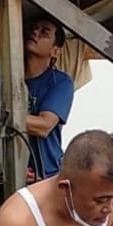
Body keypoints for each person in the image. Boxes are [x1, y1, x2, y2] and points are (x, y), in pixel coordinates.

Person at [24, 16, 75, 179]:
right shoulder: (6, 76)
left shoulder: (61, 82)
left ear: (55, 51)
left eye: (44, 32)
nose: (35, 32)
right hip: (10, 171)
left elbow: (44, 126)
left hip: (47, 175)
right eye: (34, 28)